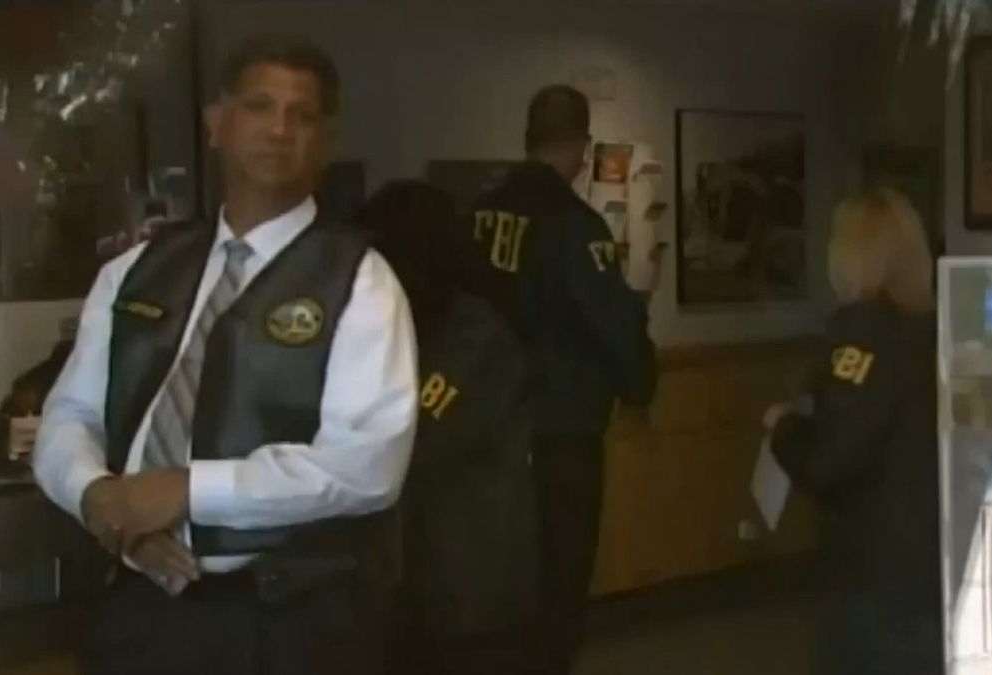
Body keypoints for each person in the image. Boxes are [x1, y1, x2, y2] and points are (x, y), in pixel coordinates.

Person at [33, 35, 418, 675]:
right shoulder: (137, 269)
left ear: (325, 142)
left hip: (285, 618)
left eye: (302, 115)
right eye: (259, 106)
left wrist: (188, 491)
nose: (279, 129)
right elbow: (71, 414)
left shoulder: (360, 281)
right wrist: (99, 498)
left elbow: (368, 463)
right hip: (140, 601)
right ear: (217, 122)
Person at [463, 84, 657, 674]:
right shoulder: (575, 224)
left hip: (484, 426)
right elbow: (612, 319)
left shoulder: (478, 215)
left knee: (496, 574)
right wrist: (640, 386)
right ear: (579, 145)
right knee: (561, 573)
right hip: (561, 426)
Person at [358, 180, 540, 675]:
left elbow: (418, 440)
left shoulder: (476, 335)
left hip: (468, 586)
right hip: (418, 581)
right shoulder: (413, 322)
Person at [763, 188, 941, 675]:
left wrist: (784, 429)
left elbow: (830, 461)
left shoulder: (861, 339)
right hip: (930, 560)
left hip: (873, 566)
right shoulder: (932, 333)